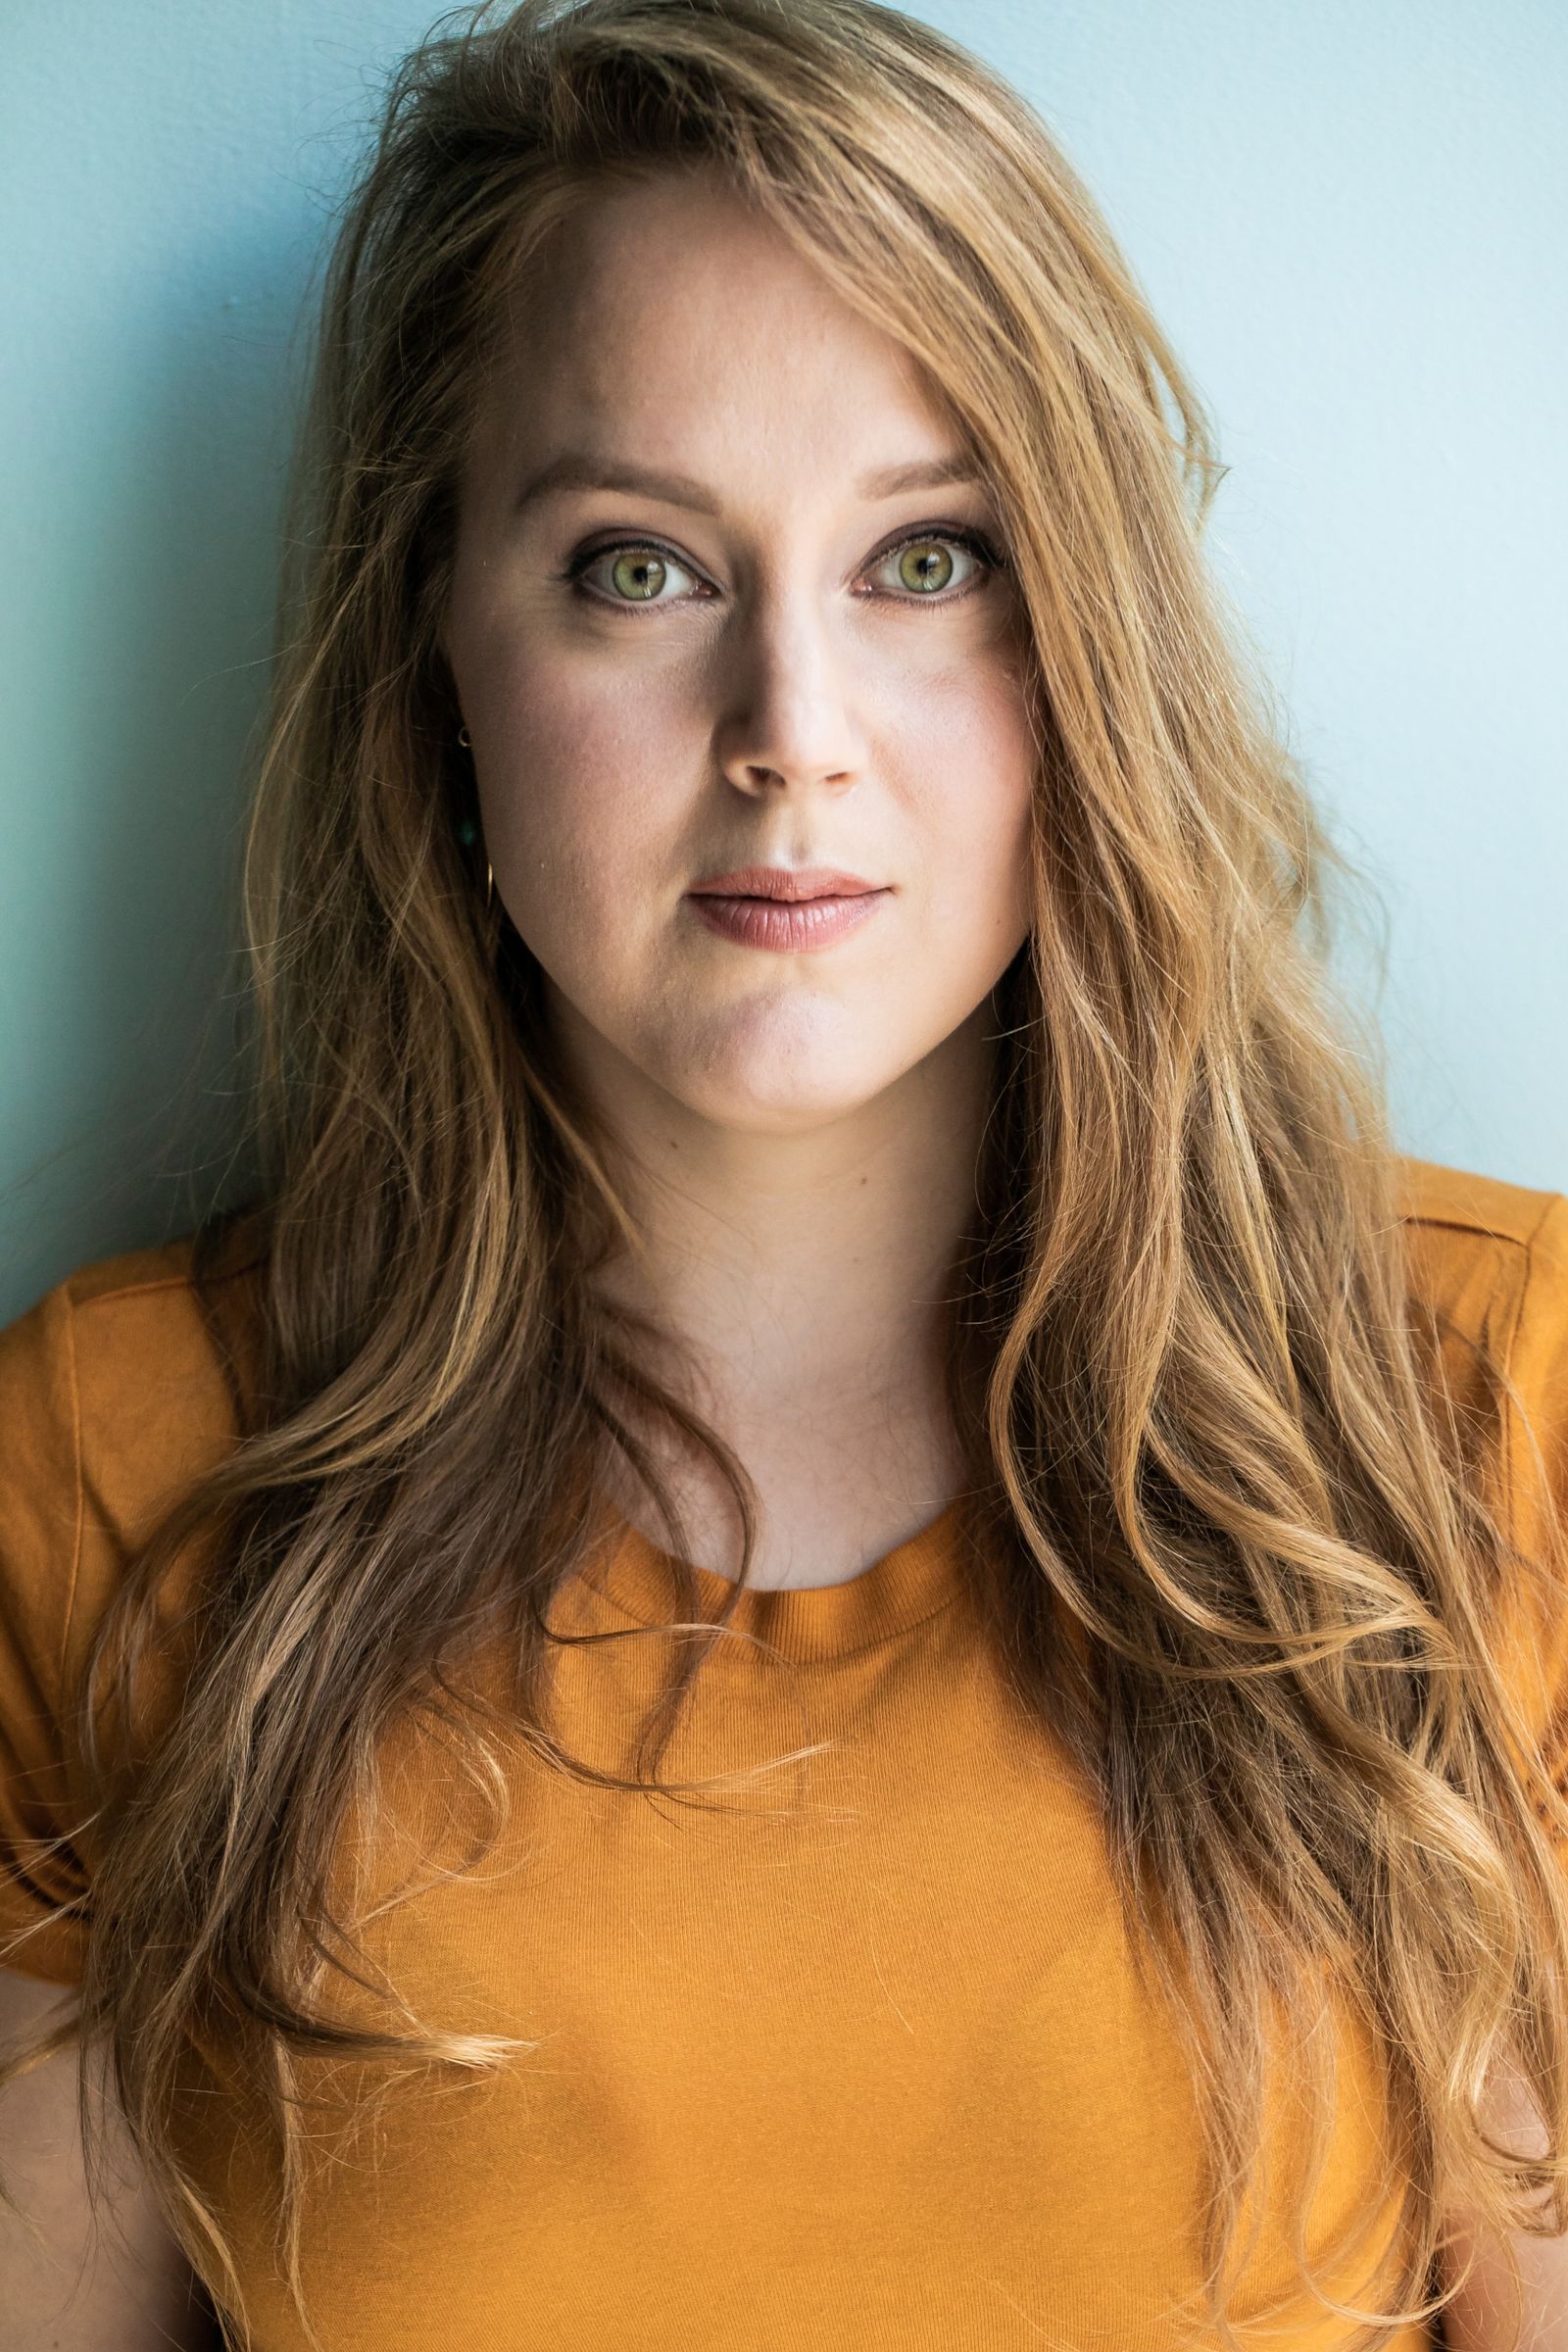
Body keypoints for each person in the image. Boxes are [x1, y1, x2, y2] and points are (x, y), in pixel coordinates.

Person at [2, 2, 1565, 2346]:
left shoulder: (1486, 1410)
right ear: (437, 644)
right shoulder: (112, 1477)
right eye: (638, 570)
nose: (790, 740)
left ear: (1088, 641)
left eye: (924, 560)